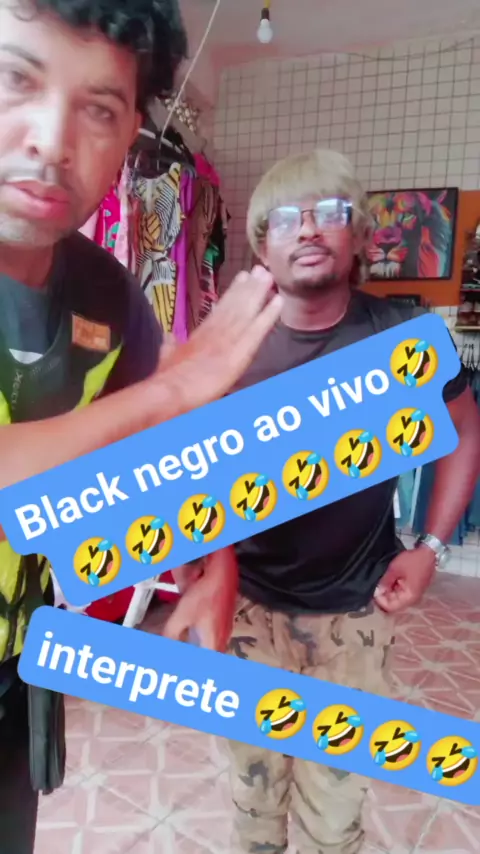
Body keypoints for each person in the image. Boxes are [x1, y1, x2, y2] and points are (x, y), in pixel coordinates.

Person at [0, 2, 283, 851]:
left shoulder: (106, 295)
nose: (52, 140)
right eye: (15, 78)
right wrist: (177, 387)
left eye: (99, 108)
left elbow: (146, 458)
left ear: (131, 137)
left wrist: (211, 555)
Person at [195, 149, 478, 854]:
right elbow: (190, 473)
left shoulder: (403, 337)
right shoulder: (230, 345)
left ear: (359, 236)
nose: (308, 229)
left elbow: (465, 431)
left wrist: (430, 548)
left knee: (334, 811)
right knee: (255, 801)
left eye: (329, 212)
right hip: (246, 608)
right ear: (263, 246)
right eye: (285, 218)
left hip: (357, 610)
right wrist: (203, 572)